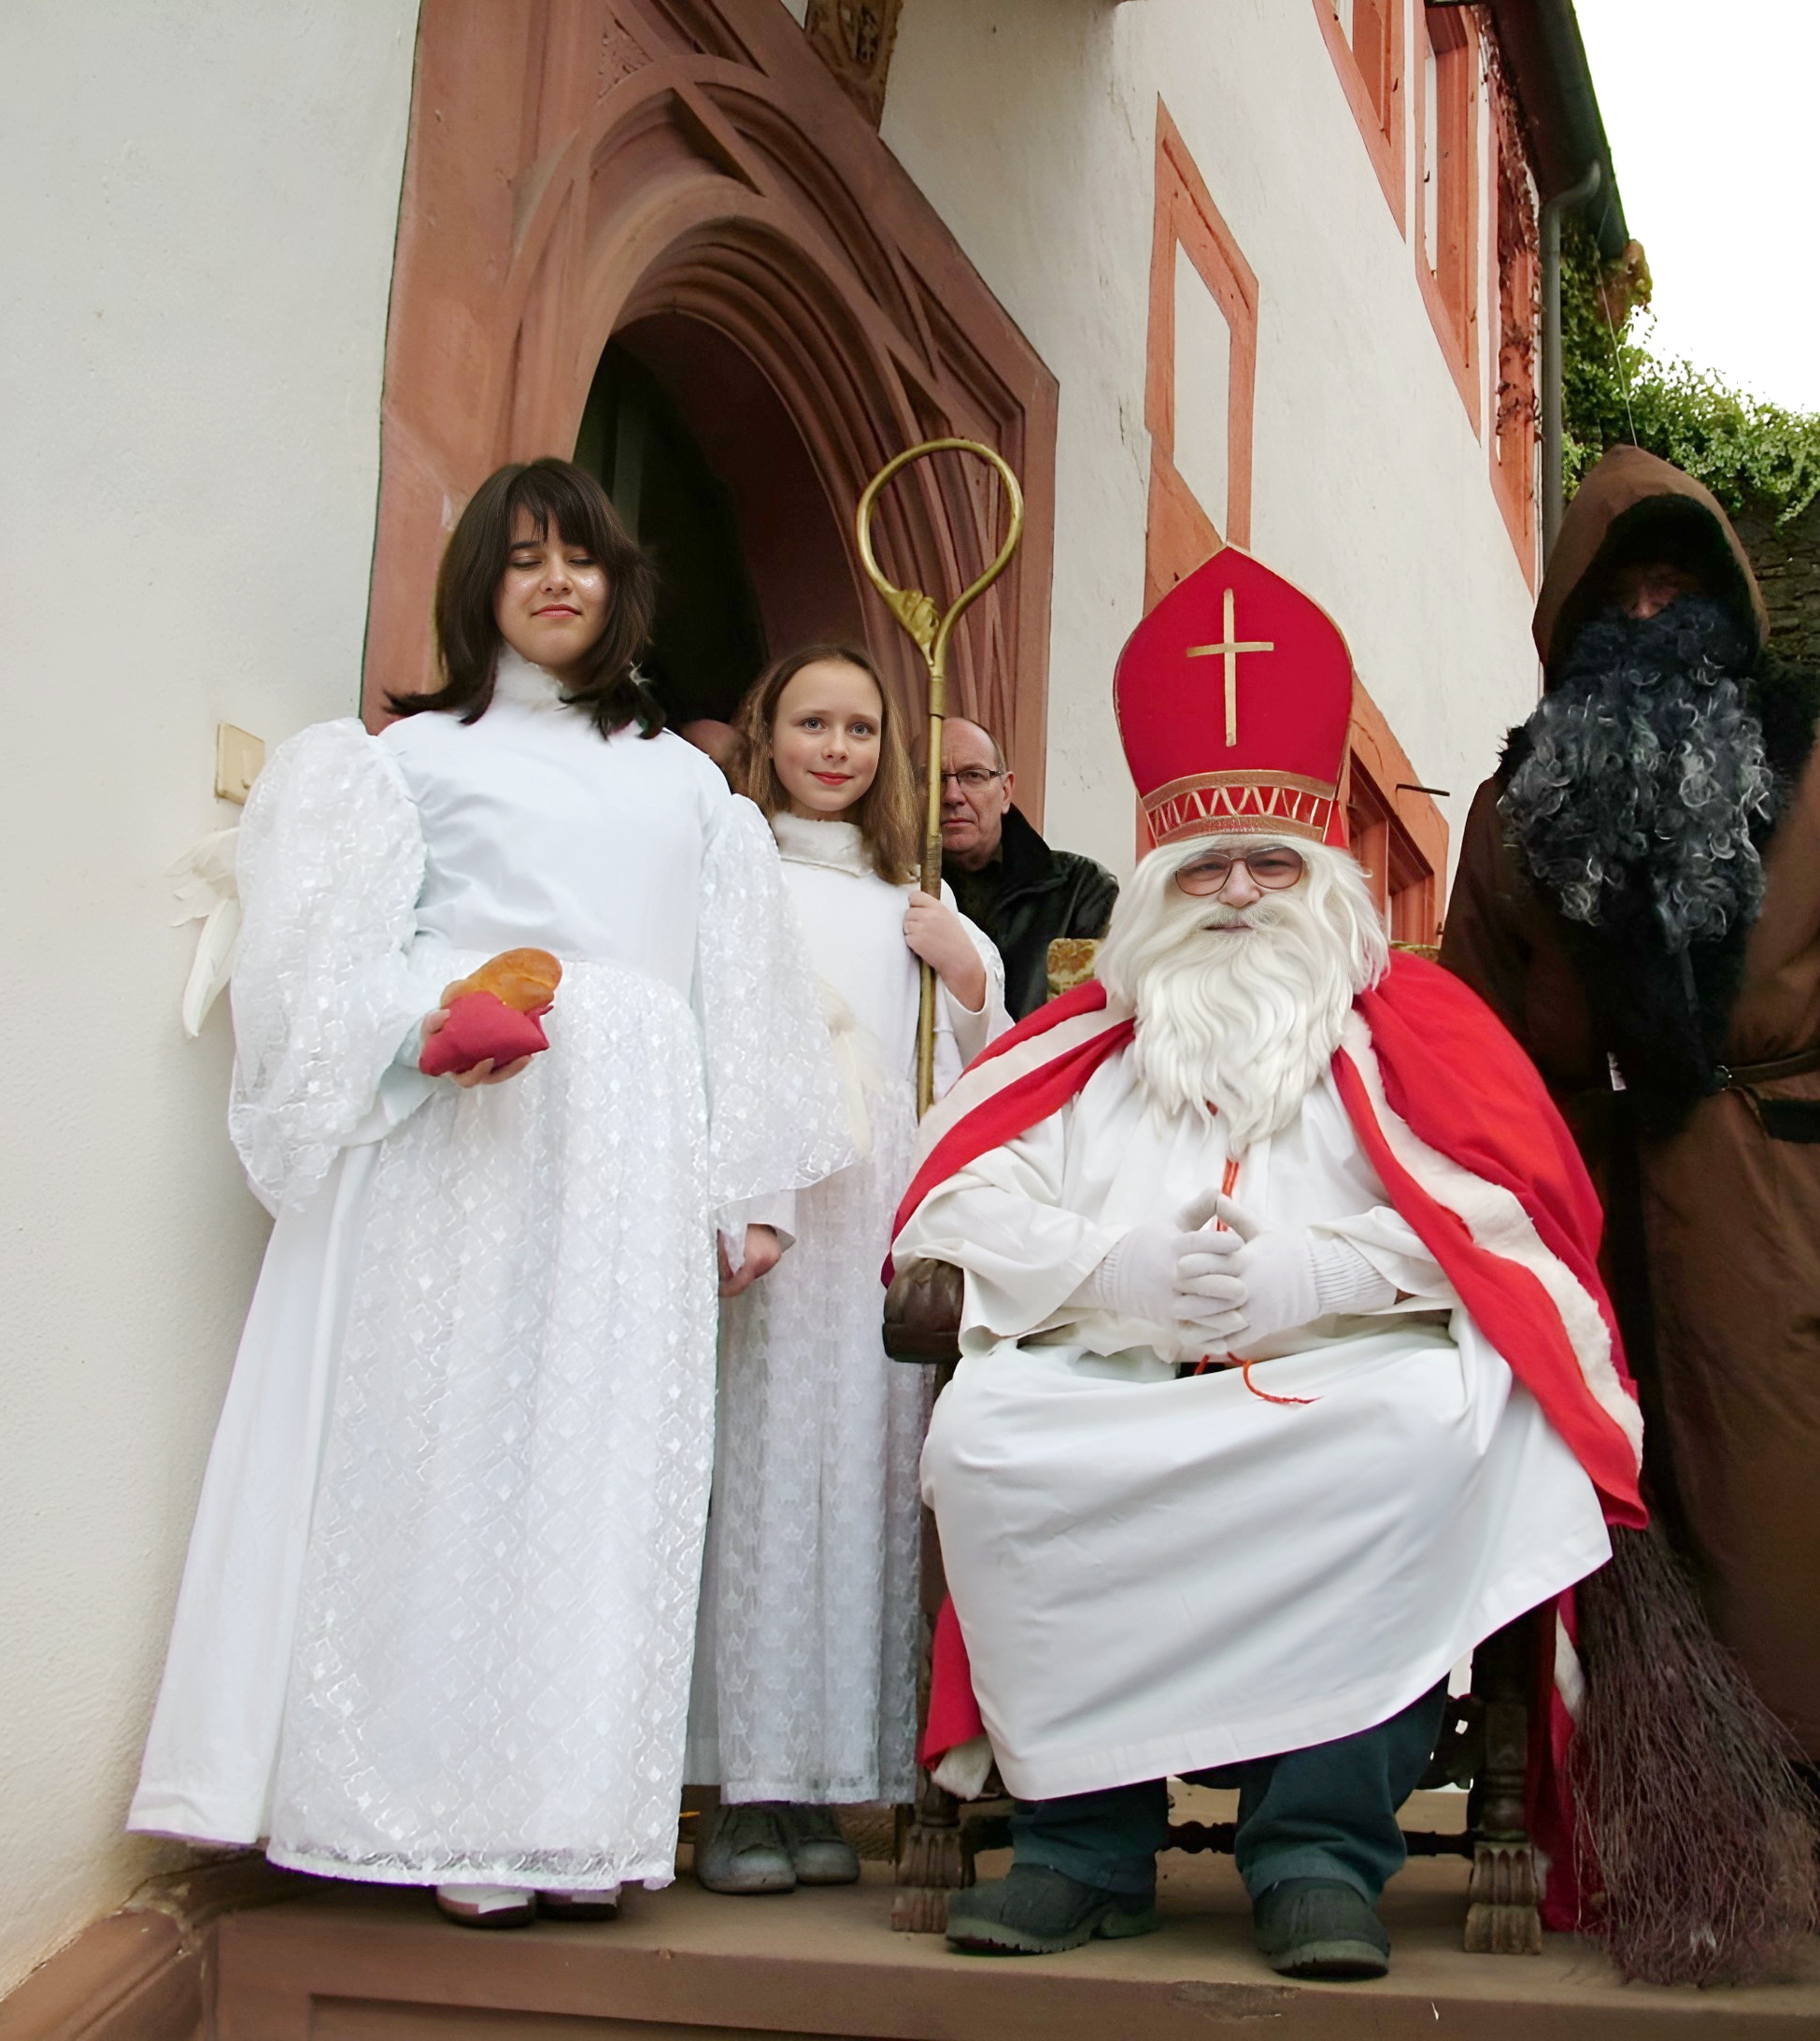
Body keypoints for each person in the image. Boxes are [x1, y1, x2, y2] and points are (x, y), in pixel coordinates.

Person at [885, 550, 1643, 1981]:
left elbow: (1512, 1224)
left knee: (1425, 1431)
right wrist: (1116, 1275)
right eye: (1205, 867)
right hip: (1109, 1370)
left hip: (1341, 1377)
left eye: (1271, 862)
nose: (1237, 891)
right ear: (1161, 887)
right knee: (988, 1440)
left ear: (1322, 879)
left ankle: (1315, 1852)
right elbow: (954, 1207)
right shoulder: (1082, 1051)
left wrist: (1319, 1276)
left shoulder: (1414, 1027)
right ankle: (1078, 1845)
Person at [127, 458, 850, 1929]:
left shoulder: (682, 784)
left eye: (579, 556)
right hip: (465, 1141)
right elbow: (318, 973)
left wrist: (752, 1183)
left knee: (605, 1462)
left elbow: (743, 990)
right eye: (522, 559)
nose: (555, 581)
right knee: (448, 1450)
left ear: (620, 582)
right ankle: (440, 1812)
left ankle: (570, 1816)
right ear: (482, 586)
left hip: (631, 1144)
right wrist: (425, 1018)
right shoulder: (403, 763)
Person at [1439, 446, 1820, 1938]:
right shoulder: (1515, 804)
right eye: (1619, 593)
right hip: (1584, 1192)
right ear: (1572, 623)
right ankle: (1674, 1816)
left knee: (1806, 1495)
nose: (1649, 612)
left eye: (1674, 583)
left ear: (1721, 598)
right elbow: (1473, 1024)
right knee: (1619, 1504)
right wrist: (1477, 1203)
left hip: (1773, 1184)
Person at [688, 646, 1004, 1894]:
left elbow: (980, 1051)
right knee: (753, 1487)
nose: (834, 748)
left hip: (875, 1215)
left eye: (861, 729)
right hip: (771, 1217)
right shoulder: (730, 873)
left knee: (870, 1494)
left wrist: (962, 966)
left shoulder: (908, 894)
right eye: (810, 723)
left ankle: (833, 1788)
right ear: (764, 734)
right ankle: (739, 1789)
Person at [936, 714, 1116, 1013]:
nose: (953, 795)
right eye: (933, 778)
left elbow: (1091, 1027)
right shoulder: (889, 891)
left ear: (1005, 792)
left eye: (973, 776)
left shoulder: (1082, 890)